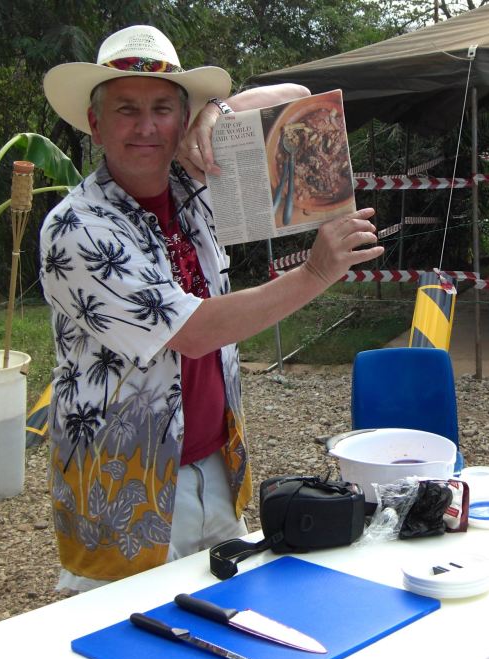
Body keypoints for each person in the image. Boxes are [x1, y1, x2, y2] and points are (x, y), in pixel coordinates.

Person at [39, 25, 383, 592]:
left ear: (182, 120)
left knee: (225, 623)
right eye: (126, 109)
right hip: (123, 480)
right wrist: (317, 272)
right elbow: (194, 332)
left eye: (163, 109)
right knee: (127, 637)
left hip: (216, 465)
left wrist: (216, 111)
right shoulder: (78, 227)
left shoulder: (191, 180)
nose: (147, 127)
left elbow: (297, 96)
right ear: (95, 124)